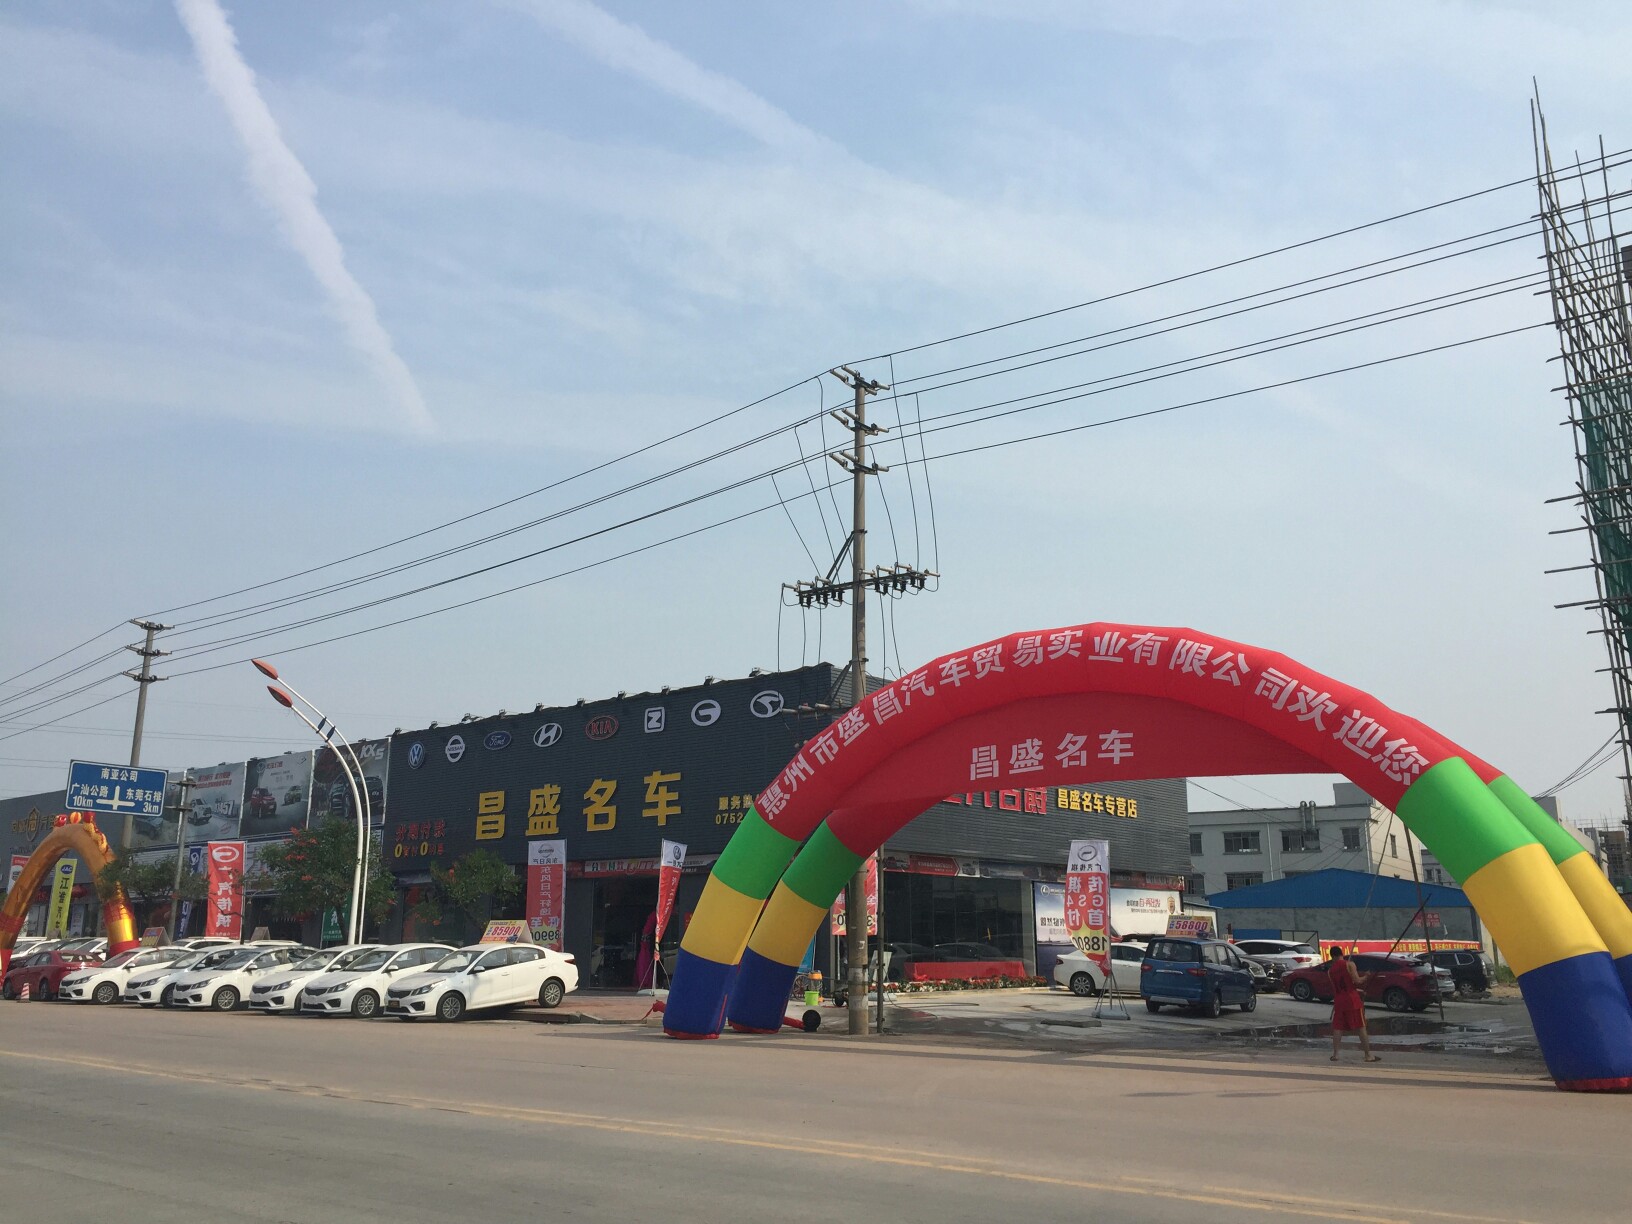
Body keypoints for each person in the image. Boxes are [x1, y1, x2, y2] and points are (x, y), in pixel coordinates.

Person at [1327, 946, 1381, 1063]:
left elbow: (1340, 988)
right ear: (1341, 954)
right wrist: (1366, 976)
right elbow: (1358, 981)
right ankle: (1368, 1055)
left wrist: (1357, 990)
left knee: (1338, 1028)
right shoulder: (1349, 964)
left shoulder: (1330, 971)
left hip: (1339, 1001)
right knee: (1361, 1027)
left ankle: (1335, 1054)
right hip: (1352, 1001)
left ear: (1333, 956)